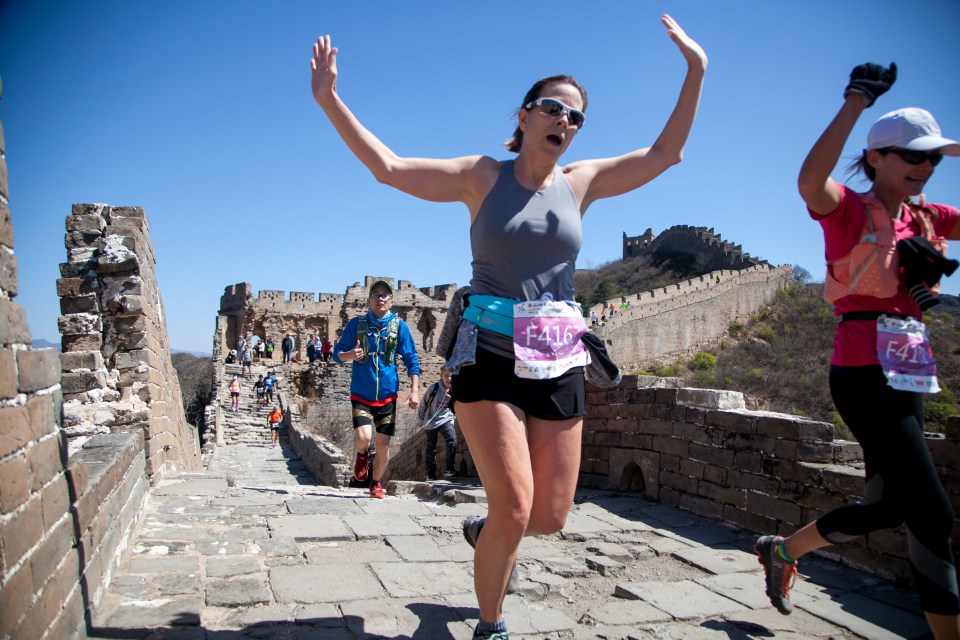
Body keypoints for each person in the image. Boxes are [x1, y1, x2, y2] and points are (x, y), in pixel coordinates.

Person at [311, 15, 705, 638]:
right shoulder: (481, 177)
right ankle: (490, 625)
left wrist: (695, 70)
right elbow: (387, 167)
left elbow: (666, 153)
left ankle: (486, 532)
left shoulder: (582, 183)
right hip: (489, 356)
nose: (565, 123)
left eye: (576, 117)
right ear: (524, 115)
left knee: (548, 516)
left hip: (558, 356)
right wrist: (330, 100)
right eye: (554, 108)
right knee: (517, 508)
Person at [754, 62, 960, 639]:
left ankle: (783, 550)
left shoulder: (930, 217)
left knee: (893, 507)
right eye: (914, 155)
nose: (925, 166)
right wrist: (855, 104)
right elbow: (809, 181)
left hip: (913, 370)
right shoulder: (847, 211)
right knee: (935, 514)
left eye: (934, 158)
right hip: (864, 370)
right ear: (877, 158)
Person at [332, 280, 420, 499]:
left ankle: (377, 483)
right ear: (368, 300)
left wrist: (415, 389)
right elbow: (337, 354)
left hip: (388, 395)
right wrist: (350, 355)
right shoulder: (356, 324)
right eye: (376, 295)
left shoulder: (399, 326)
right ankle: (363, 454)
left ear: (391, 300)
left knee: (383, 445)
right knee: (363, 437)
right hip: (361, 393)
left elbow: (411, 358)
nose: (380, 298)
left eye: (385, 295)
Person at [417, 368, 458, 480]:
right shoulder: (433, 388)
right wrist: (420, 421)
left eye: (451, 376)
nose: (448, 379)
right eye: (446, 376)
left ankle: (449, 467)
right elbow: (422, 405)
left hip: (446, 419)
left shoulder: (455, 389)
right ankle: (430, 474)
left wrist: (452, 419)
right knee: (431, 448)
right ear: (441, 376)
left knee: (452, 440)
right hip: (431, 420)